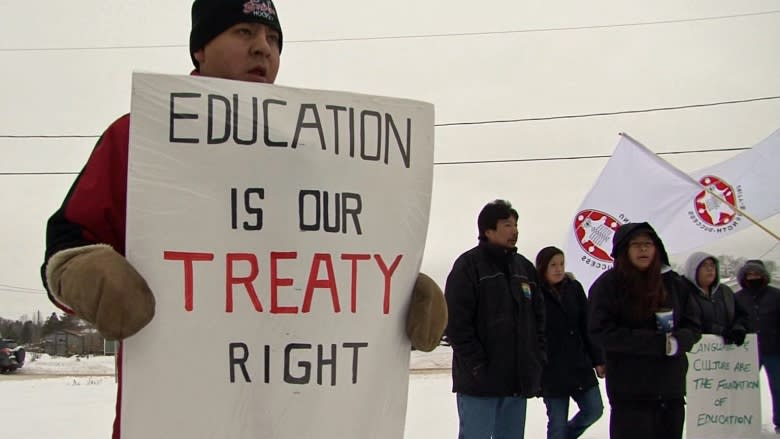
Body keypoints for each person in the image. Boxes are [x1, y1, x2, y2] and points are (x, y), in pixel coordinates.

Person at [40, 1, 447, 437]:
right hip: (179, 410)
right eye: (243, 32)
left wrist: (394, 292)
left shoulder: (314, 151)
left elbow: (337, 254)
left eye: (272, 39)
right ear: (200, 49)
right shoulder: (143, 134)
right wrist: (86, 273)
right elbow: (69, 239)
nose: (262, 49)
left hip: (293, 412)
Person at [588, 222, 701, 439]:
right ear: (623, 249)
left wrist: (679, 341)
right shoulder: (608, 286)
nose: (643, 249)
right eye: (636, 245)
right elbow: (600, 331)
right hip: (630, 391)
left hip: (670, 388)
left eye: (648, 244)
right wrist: (653, 343)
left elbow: (693, 324)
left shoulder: (674, 284)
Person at [444, 199, 545, 439]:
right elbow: (456, 323)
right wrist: (478, 366)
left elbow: (539, 320)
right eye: (507, 225)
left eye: (516, 225)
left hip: (516, 383)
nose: (515, 231)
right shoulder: (468, 266)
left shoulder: (524, 269)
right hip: (480, 384)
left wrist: (537, 358)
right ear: (488, 231)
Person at [535, 246, 604, 439]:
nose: (558, 269)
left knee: (594, 409)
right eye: (553, 265)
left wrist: (598, 359)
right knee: (557, 424)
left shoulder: (574, 288)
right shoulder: (534, 294)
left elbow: (587, 325)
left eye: (561, 264)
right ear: (543, 268)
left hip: (579, 365)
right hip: (551, 372)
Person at [734, 259, 780, 433]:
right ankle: (743, 418)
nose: (753, 277)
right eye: (749, 274)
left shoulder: (776, 296)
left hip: (774, 349)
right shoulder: (737, 298)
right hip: (747, 351)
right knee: (744, 388)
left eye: (757, 274)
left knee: (778, 386)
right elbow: (734, 319)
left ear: (764, 276)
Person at [681, 251, 748, 344]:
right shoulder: (681, 291)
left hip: (726, 353)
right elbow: (687, 321)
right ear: (693, 269)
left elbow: (740, 314)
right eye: (704, 265)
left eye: (712, 265)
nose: (710, 269)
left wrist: (738, 328)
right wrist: (721, 331)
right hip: (696, 351)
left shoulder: (725, 291)